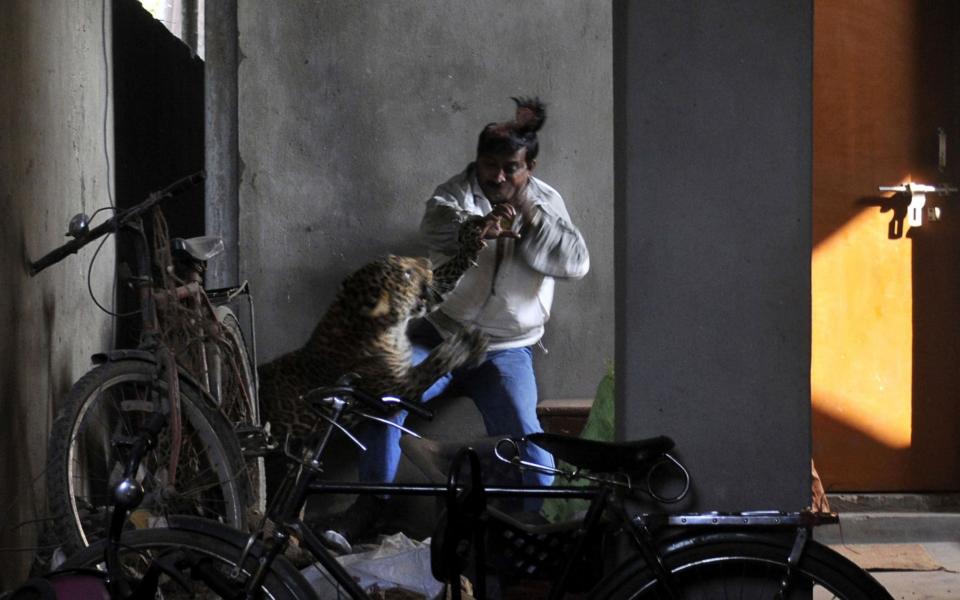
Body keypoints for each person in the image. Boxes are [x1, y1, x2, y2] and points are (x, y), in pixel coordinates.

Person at [325, 96, 590, 543]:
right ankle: (373, 506)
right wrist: (479, 226)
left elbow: (575, 262)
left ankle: (532, 529)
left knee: (532, 445)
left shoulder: (546, 204)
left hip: (507, 350)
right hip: (442, 336)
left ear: (532, 167)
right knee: (384, 399)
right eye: (490, 165)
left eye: (511, 168)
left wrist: (528, 213)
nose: (499, 176)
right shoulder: (452, 194)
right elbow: (437, 225)